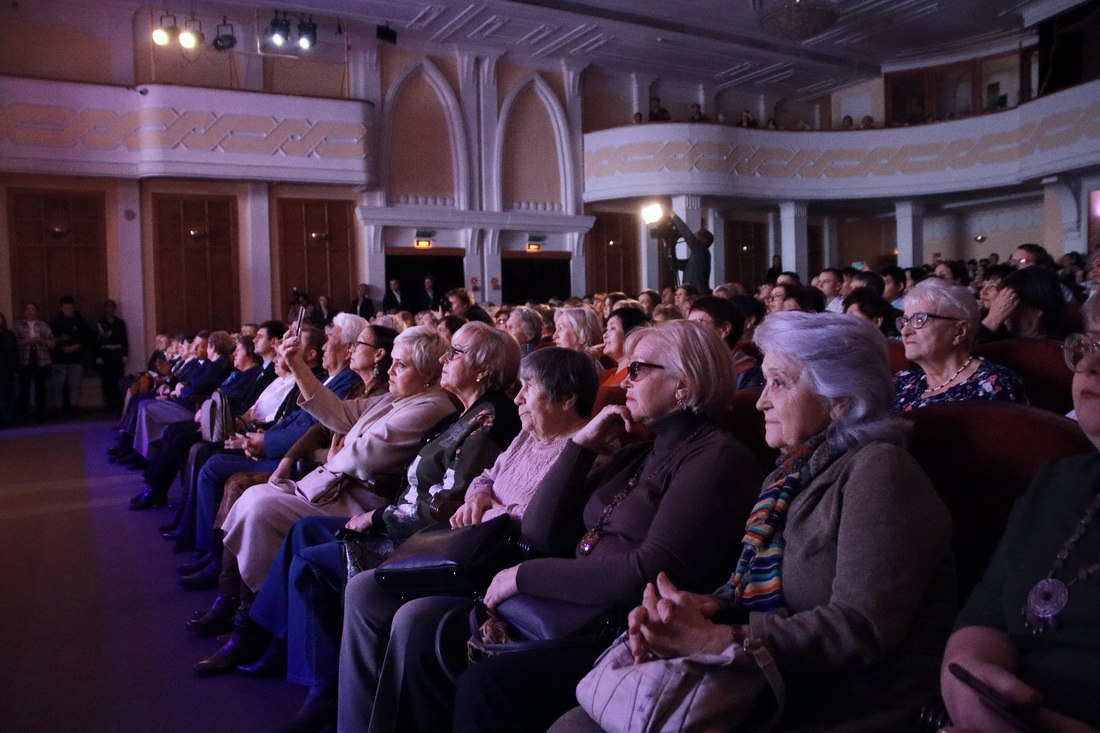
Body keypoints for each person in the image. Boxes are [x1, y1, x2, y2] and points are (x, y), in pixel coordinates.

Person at [337, 320, 764, 733]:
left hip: (616, 626)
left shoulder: (715, 458)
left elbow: (649, 571)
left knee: (485, 686)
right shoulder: (639, 453)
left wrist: (523, 576)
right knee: (423, 630)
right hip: (567, 605)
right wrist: (580, 445)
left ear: (684, 384)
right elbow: (541, 531)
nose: (624, 381)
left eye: (637, 369)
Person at [553, 311, 956, 732]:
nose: (761, 399)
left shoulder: (881, 472)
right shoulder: (791, 472)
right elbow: (753, 588)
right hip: (767, 680)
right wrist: (702, 606)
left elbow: (861, 629)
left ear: (840, 399)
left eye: (779, 382)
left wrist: (721, 638)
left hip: (841, 703)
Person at [255, 347, 594, 732]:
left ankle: (345, 703)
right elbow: (484, 478)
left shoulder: (578, 452)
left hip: (491, 565)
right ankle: (351, 717)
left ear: (566, 398)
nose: (517, 396)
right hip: (461, 541)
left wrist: (487, 509)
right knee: (360, 587)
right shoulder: (527, 436)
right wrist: (482, 496)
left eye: (528, 388)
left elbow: (533, 523)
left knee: (393, 605)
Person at [191, 324, 464, 676]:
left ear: (428, 374)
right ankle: (254, 620)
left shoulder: (430, 406)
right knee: (252, 499)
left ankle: (253, 628)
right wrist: (298, 366)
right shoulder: (395, 398)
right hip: (332, 487)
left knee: (259, 506)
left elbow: (365, 456)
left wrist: (331, 452)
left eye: (401, 365)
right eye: (392, 363)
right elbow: (336, 414)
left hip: (357, 501)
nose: (391, 370)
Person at [939, 292, 1100, 733]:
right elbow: (987, 611)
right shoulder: (1058, 480)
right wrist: (966, 682)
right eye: (1088, 346)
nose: (1089, 367)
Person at [894, 278, 1024, 412]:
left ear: (959, 331)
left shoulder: (996, 383)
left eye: (919, 319)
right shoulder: (900, 381)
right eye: (905, 321)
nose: (905, 331)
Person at [688, 295, 762, 389]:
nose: (690, 332)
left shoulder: (748, 372)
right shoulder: (693, 368)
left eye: (698, 324)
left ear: (724, 329)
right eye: (689, 326)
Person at [978, 266, 1066, 343]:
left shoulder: (1061, 348)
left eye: (1011, 301)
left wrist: (993, 319)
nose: (1004, 309)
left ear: (1040, 307)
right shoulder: (999, 335)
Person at [49, 295, 92, 416]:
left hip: (76, 357)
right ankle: (58, 406)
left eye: (70, 308)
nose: (68, 310)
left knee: (75, 383)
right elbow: (49, 338)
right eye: (66, 308)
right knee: (58, 384)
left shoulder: (81, 321)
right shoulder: (55, 321)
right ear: (61, 308)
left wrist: (74, 347)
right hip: (59, 357)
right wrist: (61, 342)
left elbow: (86, 338)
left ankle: (74, 406)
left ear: (74, 307)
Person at [13, 302, 54, 423]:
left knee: (40, 388)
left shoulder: (43, 325)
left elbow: (52, 343)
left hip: (41, 359)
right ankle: (23, 415)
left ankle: (41, 414)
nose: (30, 312)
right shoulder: (17, 326)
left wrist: (41, 340)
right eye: (27, 309)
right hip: (24, 359)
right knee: (24, 388)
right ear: (24, 311)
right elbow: (11, 343)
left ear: (37, 312)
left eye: (33, 309)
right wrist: (25, 342)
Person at [94, 299, 128, 413]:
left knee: (118, 380)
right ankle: (109, 404)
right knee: (107, 381)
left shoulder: (120, 323)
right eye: (107, 307)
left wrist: (125, 354)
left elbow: (124, 340)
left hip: (117, 355)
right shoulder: (99, 323)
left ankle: (118, 403)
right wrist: (97, 356)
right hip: (105, 355)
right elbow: (95, 342)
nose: (110, 310)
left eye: (112, 308)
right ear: (104, 309)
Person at [668, 213, 713, 294]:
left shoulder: (702, 251)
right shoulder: (698, 256)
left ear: (705, 240)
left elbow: (688, 236)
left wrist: (673, 216)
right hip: (692, 292)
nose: (695, 236)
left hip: (697, 293)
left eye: (698, 235)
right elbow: (680, 265)